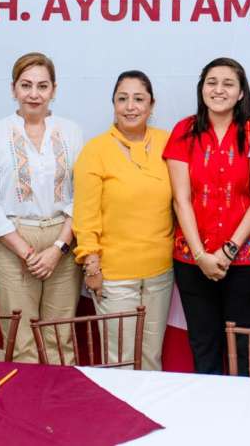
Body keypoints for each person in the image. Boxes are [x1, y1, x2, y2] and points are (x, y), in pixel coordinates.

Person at [0, 52, 84, 363]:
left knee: (59, 338)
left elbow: (82, 195)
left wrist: (58, 249)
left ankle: (60, 395)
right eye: (26, 85)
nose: (34, 94)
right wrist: (27, 253)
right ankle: (26, 397)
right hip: (12, 242)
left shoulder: (71, 132)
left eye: (42, 86)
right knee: (21, 341)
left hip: (62, 241)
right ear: (13, 89)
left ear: (54, 90)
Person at [164, 57, 250, 375]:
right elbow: (181, 200)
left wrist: (230, 249)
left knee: (244, 349)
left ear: (241, 93)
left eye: (228, 84)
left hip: (246, 260)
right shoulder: (184, 131)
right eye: (212, 82)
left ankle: (246, 406)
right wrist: (201, 255)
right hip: (192, 260)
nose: (218, 90)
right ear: (202, 89)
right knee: (204, 345)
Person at [72, 71, 174, 370]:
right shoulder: (95, 150)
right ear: (113, 104)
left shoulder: (168, 143)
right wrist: (91, 266)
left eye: (139, 99)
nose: (131, 107)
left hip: (160, 273)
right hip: (114, 277)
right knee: (119, 362)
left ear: (151, 105)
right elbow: (85, 215)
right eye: (122, 99)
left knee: (151, 358)